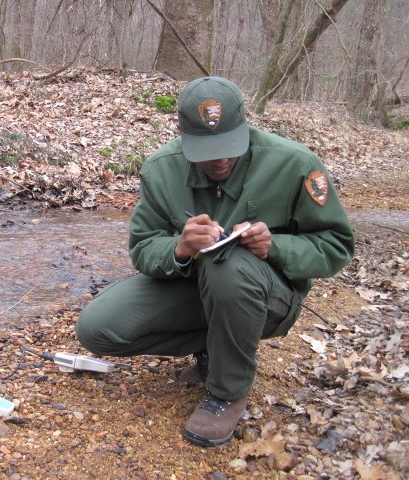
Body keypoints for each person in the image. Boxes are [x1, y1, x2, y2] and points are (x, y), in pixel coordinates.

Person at [75, 76, 354, 447]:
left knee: (231, 264)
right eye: (206, 149)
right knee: (97, 328)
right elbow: (143, 248)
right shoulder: (161, 169)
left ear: (245, 125)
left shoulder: (295, 164)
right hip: (197, 289)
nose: (220, 159)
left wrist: (276, 246)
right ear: (183, 135)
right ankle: (216, 347)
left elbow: (335, 246)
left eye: (228, 146)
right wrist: (179, 249)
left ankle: (227, 392)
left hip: (270, 299)